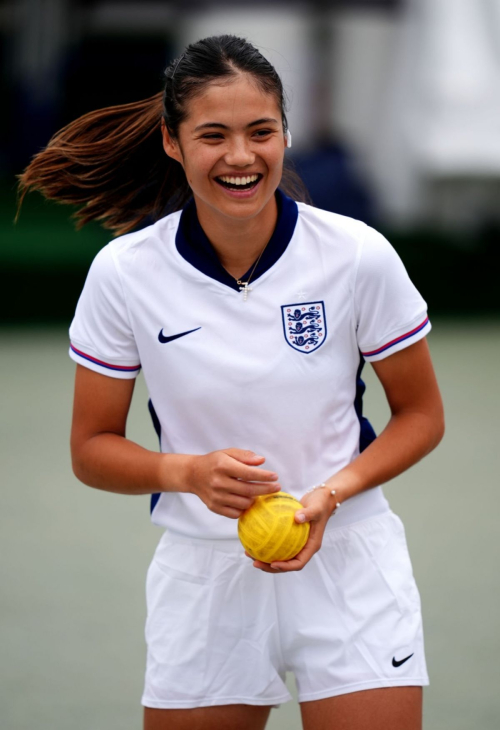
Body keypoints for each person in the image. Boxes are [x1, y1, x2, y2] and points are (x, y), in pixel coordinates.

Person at [18, 34, 444, 730]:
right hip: (203, 576)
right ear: (172, 142)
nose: (241, 156)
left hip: (352, 563)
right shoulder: (125, 274)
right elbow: (91, 448)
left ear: (286, 135)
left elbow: (422, 415)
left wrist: (331, 494)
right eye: (213, 135)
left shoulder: (358, 255)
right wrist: (188, 472)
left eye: (261, 132)